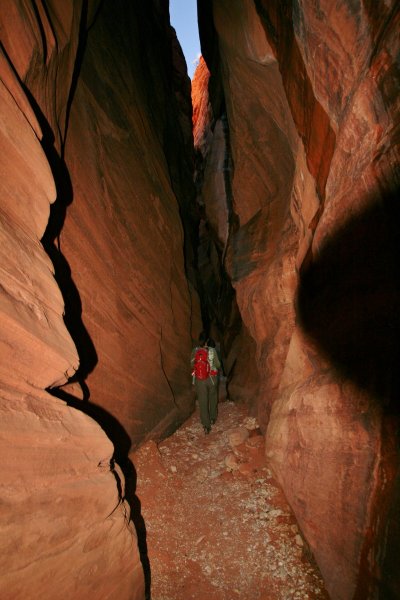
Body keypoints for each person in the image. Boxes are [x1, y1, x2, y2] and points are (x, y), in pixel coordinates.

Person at [191, 333, 221, 434]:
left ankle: (206, 425)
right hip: (212, 379)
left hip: (200, 380)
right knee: (213, 397)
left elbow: (191, 363)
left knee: (203, 401)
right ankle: (213, 417)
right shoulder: (212, 350)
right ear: (207, 341)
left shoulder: (195, 351)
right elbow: (218, 364)